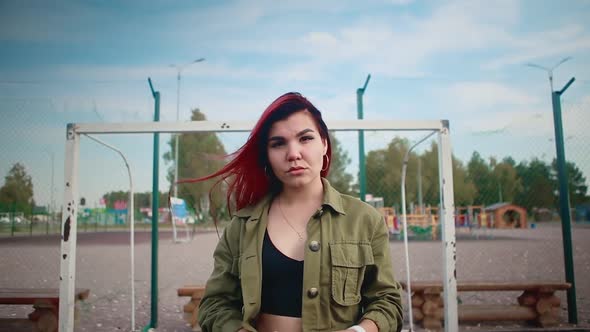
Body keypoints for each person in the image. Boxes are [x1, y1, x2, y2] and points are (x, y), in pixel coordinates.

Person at [196, 92, 404, 332]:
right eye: (278, 143)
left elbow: (387, 301)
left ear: (324, 144)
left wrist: (360, 330)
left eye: (305, 139)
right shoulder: (241, 226)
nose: (293, 153)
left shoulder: (365, 220)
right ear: (267, 155)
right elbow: (214, 304)